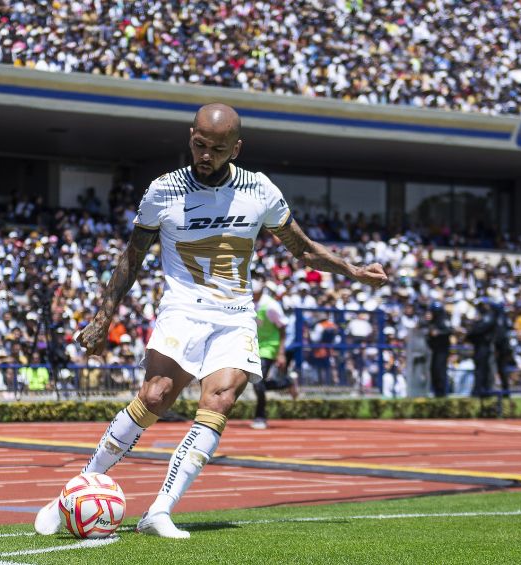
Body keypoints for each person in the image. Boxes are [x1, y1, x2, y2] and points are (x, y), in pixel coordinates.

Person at [34, 103, 387, 539]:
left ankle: (159, 511)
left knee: (218, 402)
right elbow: (132, 257)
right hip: (183, 308)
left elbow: (304, 250)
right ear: (190, 138)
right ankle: (71, 492)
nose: (206, 155)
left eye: (217, 149)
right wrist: (103, 317)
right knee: (156, 397)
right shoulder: (163, 190)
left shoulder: (259, 190)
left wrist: (352, 271)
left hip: (235, 313)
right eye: (200, 145)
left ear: (235, 148)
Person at [250, 277, 297, 430]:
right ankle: (288, 382)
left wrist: (281, 353)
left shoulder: (270, 306)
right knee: (257, 383)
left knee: (258, 383)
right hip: (254, 347)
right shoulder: (248, 303)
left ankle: (260, 417)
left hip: (270, 347)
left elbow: (283, 329)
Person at [424, 302, 451, 397]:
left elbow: (449, 330)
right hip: (434, 351)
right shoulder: (431, 322)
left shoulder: (443, 320)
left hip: (442, 351)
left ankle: (442, 393)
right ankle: (437, 393)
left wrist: (438, 333)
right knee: (434, 371)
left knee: (440, 371)